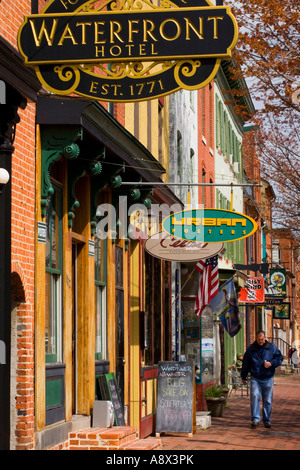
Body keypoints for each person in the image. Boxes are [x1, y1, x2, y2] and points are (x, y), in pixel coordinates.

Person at [241, 330, 283, 429]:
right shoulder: (251, 349)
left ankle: (267, 420)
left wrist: (271, 363)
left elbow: (279, 358)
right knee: (255, 397)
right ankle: (255, 419)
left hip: (268, 377)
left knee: (267, 400)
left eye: (262, 339)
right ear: (256, 338)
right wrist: (243, 376)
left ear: (265, 338)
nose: (261, 342)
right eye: (259, 340)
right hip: (255, 377)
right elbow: (246, 363)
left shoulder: (271, 347)